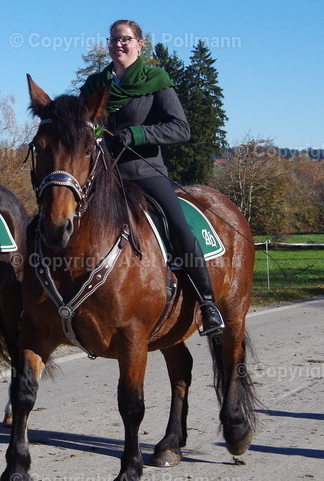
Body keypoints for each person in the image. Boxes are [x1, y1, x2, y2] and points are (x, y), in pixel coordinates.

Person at [80, 19, 224, 336]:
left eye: (126, 39)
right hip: (103, 177)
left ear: (139, 44)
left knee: (177, 224)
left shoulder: (155, 80)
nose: (119, 44)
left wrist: (139, 133)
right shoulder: (94, 84)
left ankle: (207, 302)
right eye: (114, 39)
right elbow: (81, 126)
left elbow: (180, 129)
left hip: (144, 171)